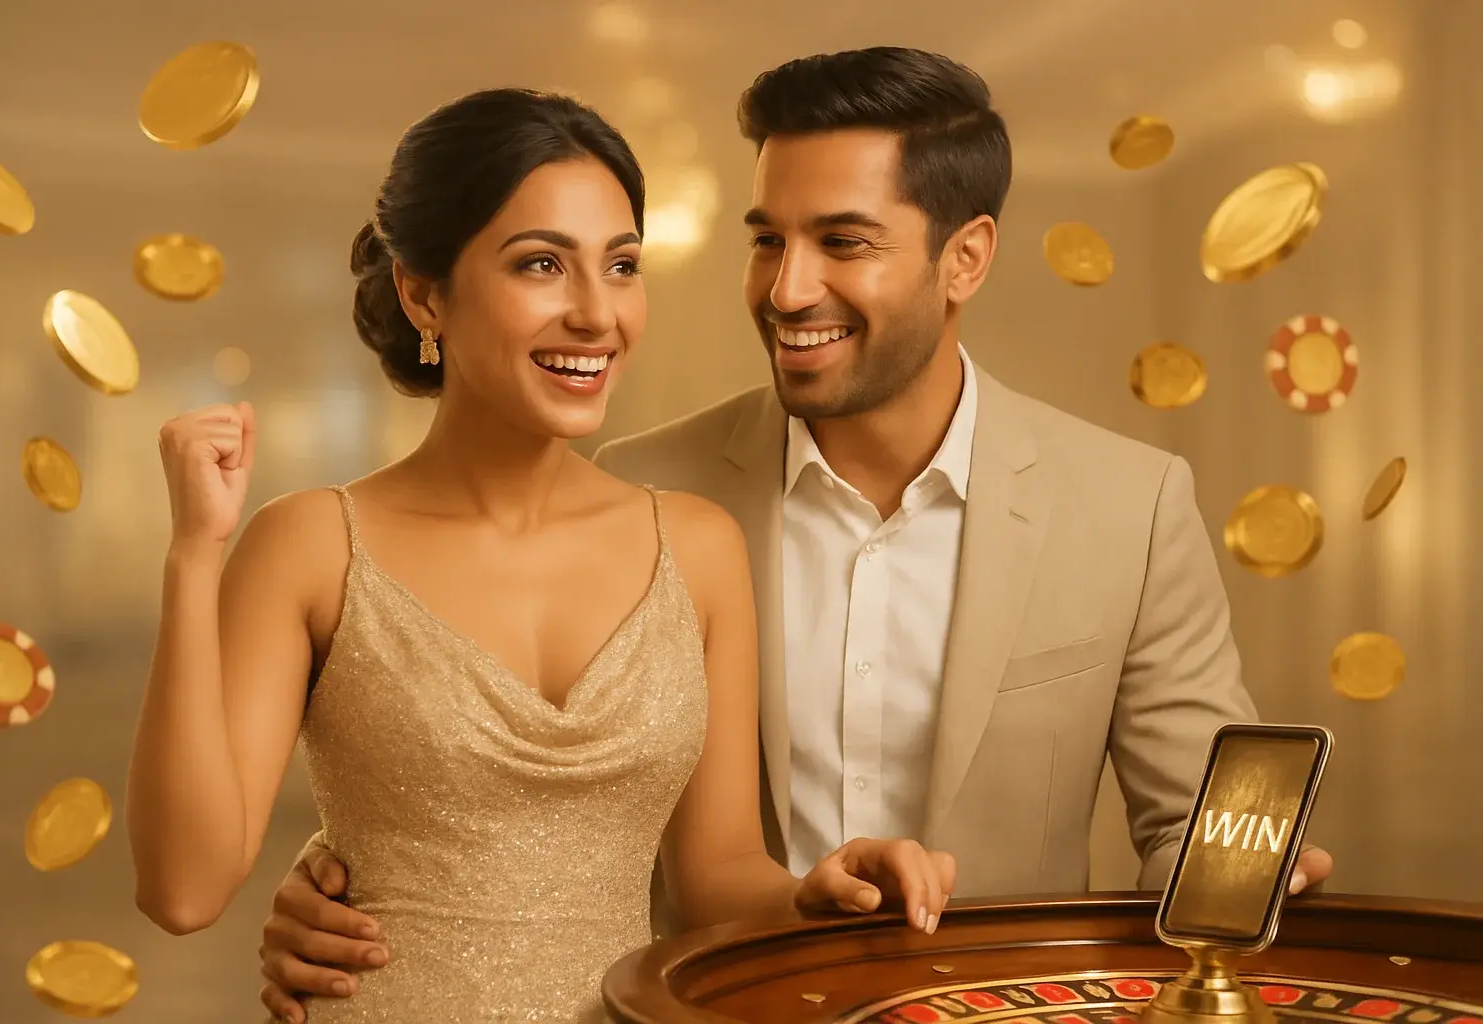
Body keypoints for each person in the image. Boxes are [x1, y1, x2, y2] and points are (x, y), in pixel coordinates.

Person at [253, 49, 1336, 1020]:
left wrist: (1249, 880)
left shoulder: (1129, 506)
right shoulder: (636, 493)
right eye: (768, 240)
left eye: (842, 242)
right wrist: (353, 874)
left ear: (966, 258)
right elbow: (515, 789)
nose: (787, 288)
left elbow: (1194, 834)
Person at [124, 87, 957, 1024]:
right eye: (541, 265)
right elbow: (184, 891)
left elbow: (718, 871)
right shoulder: (311, 546)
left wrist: (818, 893)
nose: (597, 315)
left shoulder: (695, 546)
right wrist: (194, 557)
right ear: (422, 291)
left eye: (622, 265)